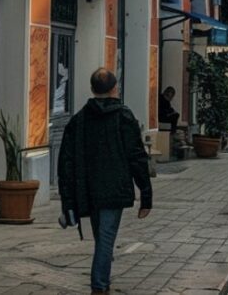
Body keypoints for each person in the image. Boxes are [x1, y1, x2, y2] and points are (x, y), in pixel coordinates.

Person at [58, 68, 152, 295]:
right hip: (114, 188)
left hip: (88, 189)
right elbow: (137, 157)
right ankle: (99, 286)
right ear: (114, 88)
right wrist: (146, 195)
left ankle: (103, 281)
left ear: (92, 89)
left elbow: (65, 163)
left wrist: (68, 199)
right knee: (106, 239)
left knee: (102, 236)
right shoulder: (124, 117)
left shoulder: (79, 120)